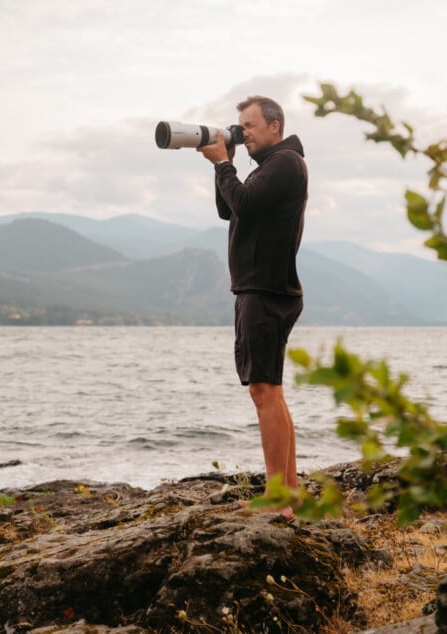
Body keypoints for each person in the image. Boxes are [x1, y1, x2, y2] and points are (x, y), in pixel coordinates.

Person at [197, 95, 308, 520]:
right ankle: (290, 492)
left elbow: (241, 202)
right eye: (240, 126)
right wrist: (220, 165)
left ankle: (278, 498)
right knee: (272, 391)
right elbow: (230, 208)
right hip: (263, 288)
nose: (243, 132)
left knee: (263, 391)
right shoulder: (271, 166)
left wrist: (224, 163)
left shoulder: (285, 162)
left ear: (275, 126)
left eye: (250, 126)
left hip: (265, 290)